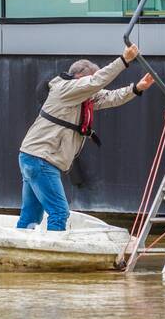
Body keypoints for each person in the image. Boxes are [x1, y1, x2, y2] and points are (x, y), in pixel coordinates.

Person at [16, 45, 154, 231]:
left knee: (31, 214)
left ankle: (23, 251)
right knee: (59, 212)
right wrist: (124, 60)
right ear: (80, 78)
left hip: (32, 156)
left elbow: (111, 97)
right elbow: (97, 82)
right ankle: (56, 256)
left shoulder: (81, 97)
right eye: (90, 81)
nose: (93, 86)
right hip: (42, 159)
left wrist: (136, 88)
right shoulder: (66, 89)